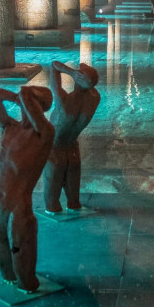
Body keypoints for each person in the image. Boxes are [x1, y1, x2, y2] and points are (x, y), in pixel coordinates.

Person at [0, 85, 55, 292]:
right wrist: (18, 98)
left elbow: (26, 95)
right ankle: (8, 278)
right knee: (3, 262)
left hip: (19, 205)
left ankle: (27, 283)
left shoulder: (44, 135)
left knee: (24, 268)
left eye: (30, 101)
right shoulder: (10, 127)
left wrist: (25, 96)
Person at [44, 61, 101, 213]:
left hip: (54, 145)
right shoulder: (95, 98)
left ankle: (52, 207)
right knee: (73, 180)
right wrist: (83, 74)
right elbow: (90, 82)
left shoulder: (63, 100)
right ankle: (73, 204)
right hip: (72, 144)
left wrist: (71, 72)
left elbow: (54, 66)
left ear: (78, 78)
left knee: (53, 183)